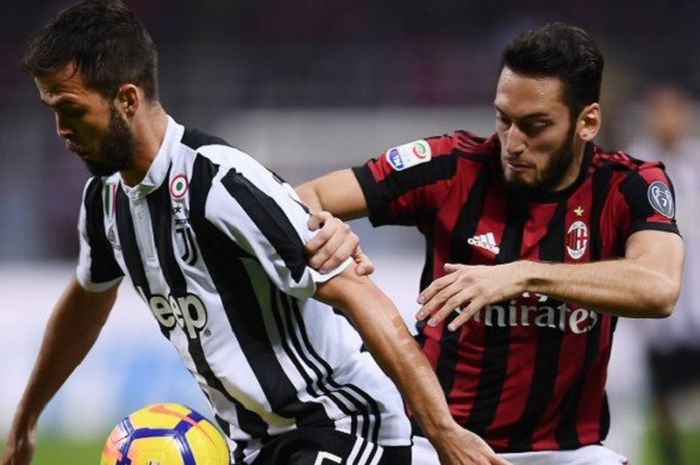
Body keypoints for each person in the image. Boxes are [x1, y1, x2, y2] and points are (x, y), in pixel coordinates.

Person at [1, 1, 510, 465]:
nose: (61, 129)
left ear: (127, 99)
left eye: (70, 110)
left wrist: (444, 433)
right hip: (254, 445)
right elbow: (88, 298)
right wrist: (26, 417)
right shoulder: (105, 202)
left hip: (341, 424)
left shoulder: (221, 183)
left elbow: (359, 294)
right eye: (52, 112)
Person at [296, 23, 684, 465]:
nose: (513, 143)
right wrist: (328, 227)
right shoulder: (449, 166)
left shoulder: (630, 185)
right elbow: (304, 198)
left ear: (587, 122)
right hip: (438, 445)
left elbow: (658, 287)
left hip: (571, 453)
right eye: (504, 118)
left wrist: (521, 274)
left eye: (536, 126)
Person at [627, 84, 700, 465]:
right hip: (660, 313)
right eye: (660, 111)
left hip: (698, 307)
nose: (668, 120)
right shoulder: (637, 168)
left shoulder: (697, 164)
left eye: (675, 110)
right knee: (664, 403)